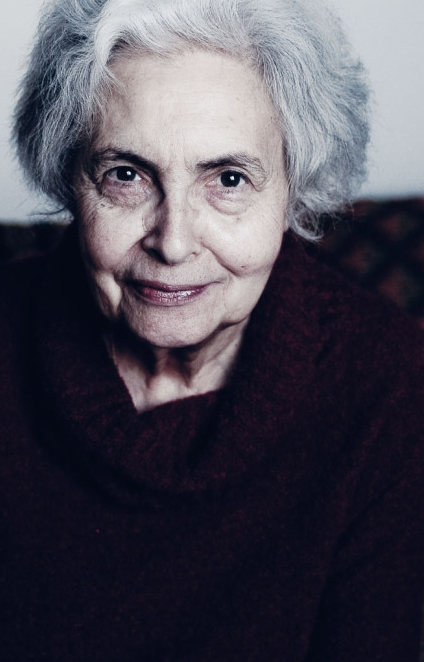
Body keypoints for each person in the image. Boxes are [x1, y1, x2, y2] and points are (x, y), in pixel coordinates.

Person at [0, 0, 422, 660]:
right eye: (125, 175)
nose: (173, 243)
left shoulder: (391, 387)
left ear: (293, 189)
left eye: (228, 179)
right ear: (70, 180)